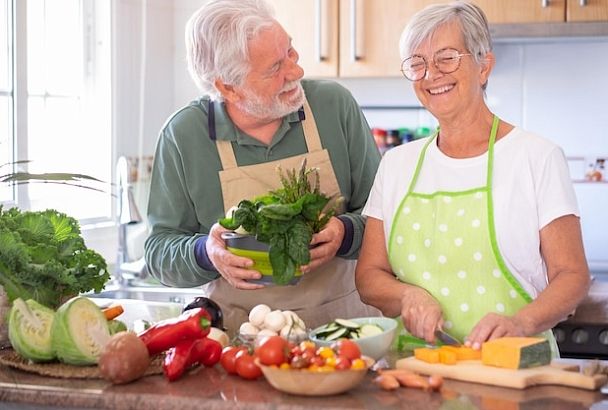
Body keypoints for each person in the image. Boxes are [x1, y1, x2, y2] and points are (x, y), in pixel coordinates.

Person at [355, 1, 590, 353]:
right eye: (417, 64)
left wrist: (521, 322)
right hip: (418, 375)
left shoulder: (536, 157)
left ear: (484, 66)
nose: (431, 74)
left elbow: (572, 276)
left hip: (514, 373)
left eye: (447, 58)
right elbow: (369, 275)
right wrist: (408, 295)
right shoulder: (396, 165)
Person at [144, 0, 381, 335]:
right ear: (227, 87)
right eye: (274, 68)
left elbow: (387, 219)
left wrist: (346, 233)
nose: (296, 72)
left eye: (291, 51)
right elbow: (158, 251)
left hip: (342, 329)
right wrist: (205, 252)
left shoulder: (333, 107)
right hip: (241, 338)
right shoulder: (184, 135)